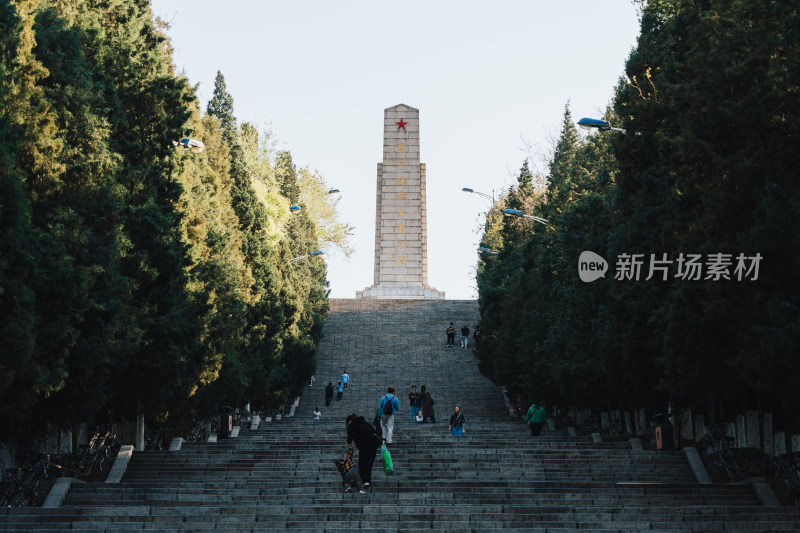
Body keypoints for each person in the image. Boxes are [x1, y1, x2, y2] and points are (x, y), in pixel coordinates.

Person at [346, 414, 382, 488]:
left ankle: (364, 480)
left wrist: (349, 443)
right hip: (373, 444)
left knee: (363, 463)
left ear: (349, 421)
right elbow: (373, 431)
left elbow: (349, 435)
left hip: (365, 445)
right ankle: (366, 480)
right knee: (368, 463)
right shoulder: (364, 422)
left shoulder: (353, 424)